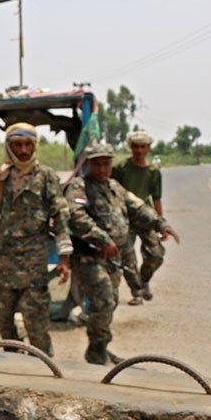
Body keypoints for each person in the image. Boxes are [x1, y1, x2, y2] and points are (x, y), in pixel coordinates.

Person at [65, 143, 180, 365]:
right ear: (88, 165)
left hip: (113, 258)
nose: (101, 169)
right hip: (89, 256)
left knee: (111, 303)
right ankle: (96, 353)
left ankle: (99, 347)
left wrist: (160, 224)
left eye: (106, 164)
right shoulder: (79, 188)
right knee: (104, 299)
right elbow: (77, 216)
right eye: (96, 165)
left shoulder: (115, 187)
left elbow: (137, 207)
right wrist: (103, 239)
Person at [0, 123, 72, 357]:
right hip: (5, 262)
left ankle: (43, 367)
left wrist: (64, 257)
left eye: (28, 145)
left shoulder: (46, 176)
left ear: (35, 146)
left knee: (37, 325)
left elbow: (60, 217)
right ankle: (13, 364)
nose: (24, 150)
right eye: (18, 145)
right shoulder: (1, 175)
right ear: (9, 147)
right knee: (4, 321)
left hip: (33, 264)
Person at [111, 130, 166, 304]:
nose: (139, 150)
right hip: (124, 218)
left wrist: (161, 224)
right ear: (130, 147)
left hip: (145, 217)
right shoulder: (121, 168)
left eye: (143, 147)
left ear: (148, 148)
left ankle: (144, 280)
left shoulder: (153, 171)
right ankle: (137, 292)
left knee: (156, 255)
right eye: (135, 147)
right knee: (128, 258)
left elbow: (156, 198)